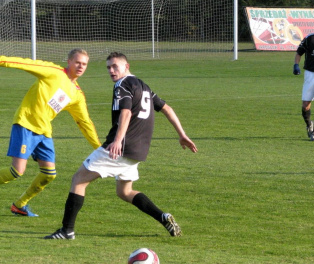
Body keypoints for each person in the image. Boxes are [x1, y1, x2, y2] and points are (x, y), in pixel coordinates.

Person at [44, 52, 198, 240]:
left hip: (120, 147)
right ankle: (162, 216)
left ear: (127, 66)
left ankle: (67, 231)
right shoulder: (144, 86)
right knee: (124, 192)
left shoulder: (122, 85)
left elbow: (125, 112)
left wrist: (117, 140)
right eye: (108, 67)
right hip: (138, 150)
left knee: (78, 180)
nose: (111, 70)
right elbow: (167, 108)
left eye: (115, 66)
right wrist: (182, 135)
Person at [0, 49, 101, 216]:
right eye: (78, 62)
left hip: (44, 131)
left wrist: (99, 147)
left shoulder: (77, 94)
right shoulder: (54, 72)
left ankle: (19, 205)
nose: (81, 66)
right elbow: (26, 64)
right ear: (69, 61)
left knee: (49, 174)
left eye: (84, 64)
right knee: (17, 171)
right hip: (25, 124)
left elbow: (84, 122)